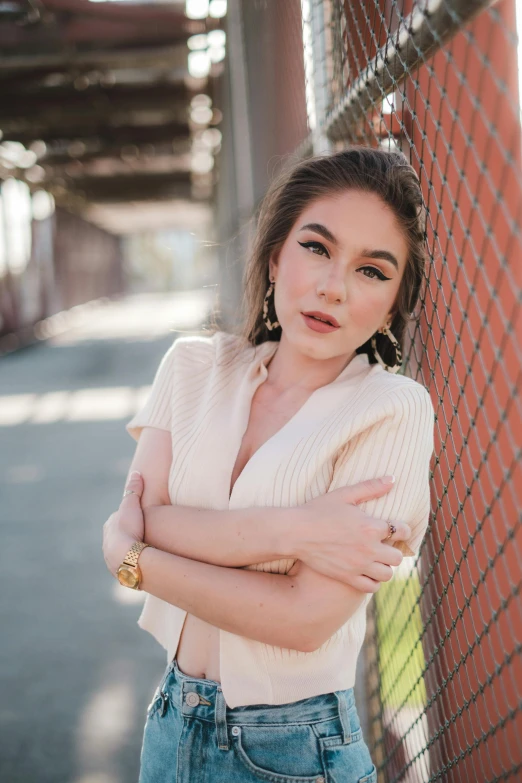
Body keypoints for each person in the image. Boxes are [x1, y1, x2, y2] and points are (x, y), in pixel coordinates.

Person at [102, 146, 436, 783]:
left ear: (394, 303)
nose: (332, 286)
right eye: (317, 247)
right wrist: (294, 530)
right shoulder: (193, 367)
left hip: (295, 747)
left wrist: (134, 561)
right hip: (171, 718)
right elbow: (140, 515)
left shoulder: (392, 410)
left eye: (372, 271)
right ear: (277, 253)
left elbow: (301, 619)